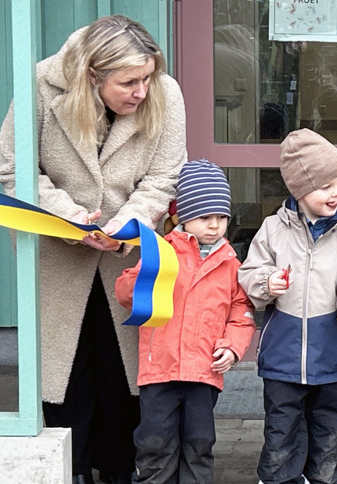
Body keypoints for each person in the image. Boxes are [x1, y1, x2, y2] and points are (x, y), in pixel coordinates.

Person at [0, 14, 187, 484]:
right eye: (129, 82)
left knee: (126, 386)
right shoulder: (40, 85)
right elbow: (14, 171)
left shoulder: (165, 91)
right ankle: (70, 474)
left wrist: (127, 226)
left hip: (128, 261)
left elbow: (164, 177)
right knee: (66, 385)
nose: (142, 91)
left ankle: (123, 473)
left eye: (146, 77)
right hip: (60, 259)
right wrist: (67, 217)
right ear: (92, 76)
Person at [237, 129, 337, 484]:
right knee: (281, 429)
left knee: (328, 427)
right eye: (325, 186)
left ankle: (324, 476)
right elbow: (249, 273)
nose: (336, 193)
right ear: (299, 190)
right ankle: (279, 478)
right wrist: (266, 282)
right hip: (283, 356)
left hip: (331, 352)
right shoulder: (272, 229)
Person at [115, 159, 256, 483]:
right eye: (205, 217)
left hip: (204, 371)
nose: (215, 225)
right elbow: (125, 291)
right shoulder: (161, 250)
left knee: (200, 443)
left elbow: (241, 311)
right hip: (159, 370)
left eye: (222, 217)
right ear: (183, 215)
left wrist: (233, 348)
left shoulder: (231, 262)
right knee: (154, 442)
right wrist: (142, 281)